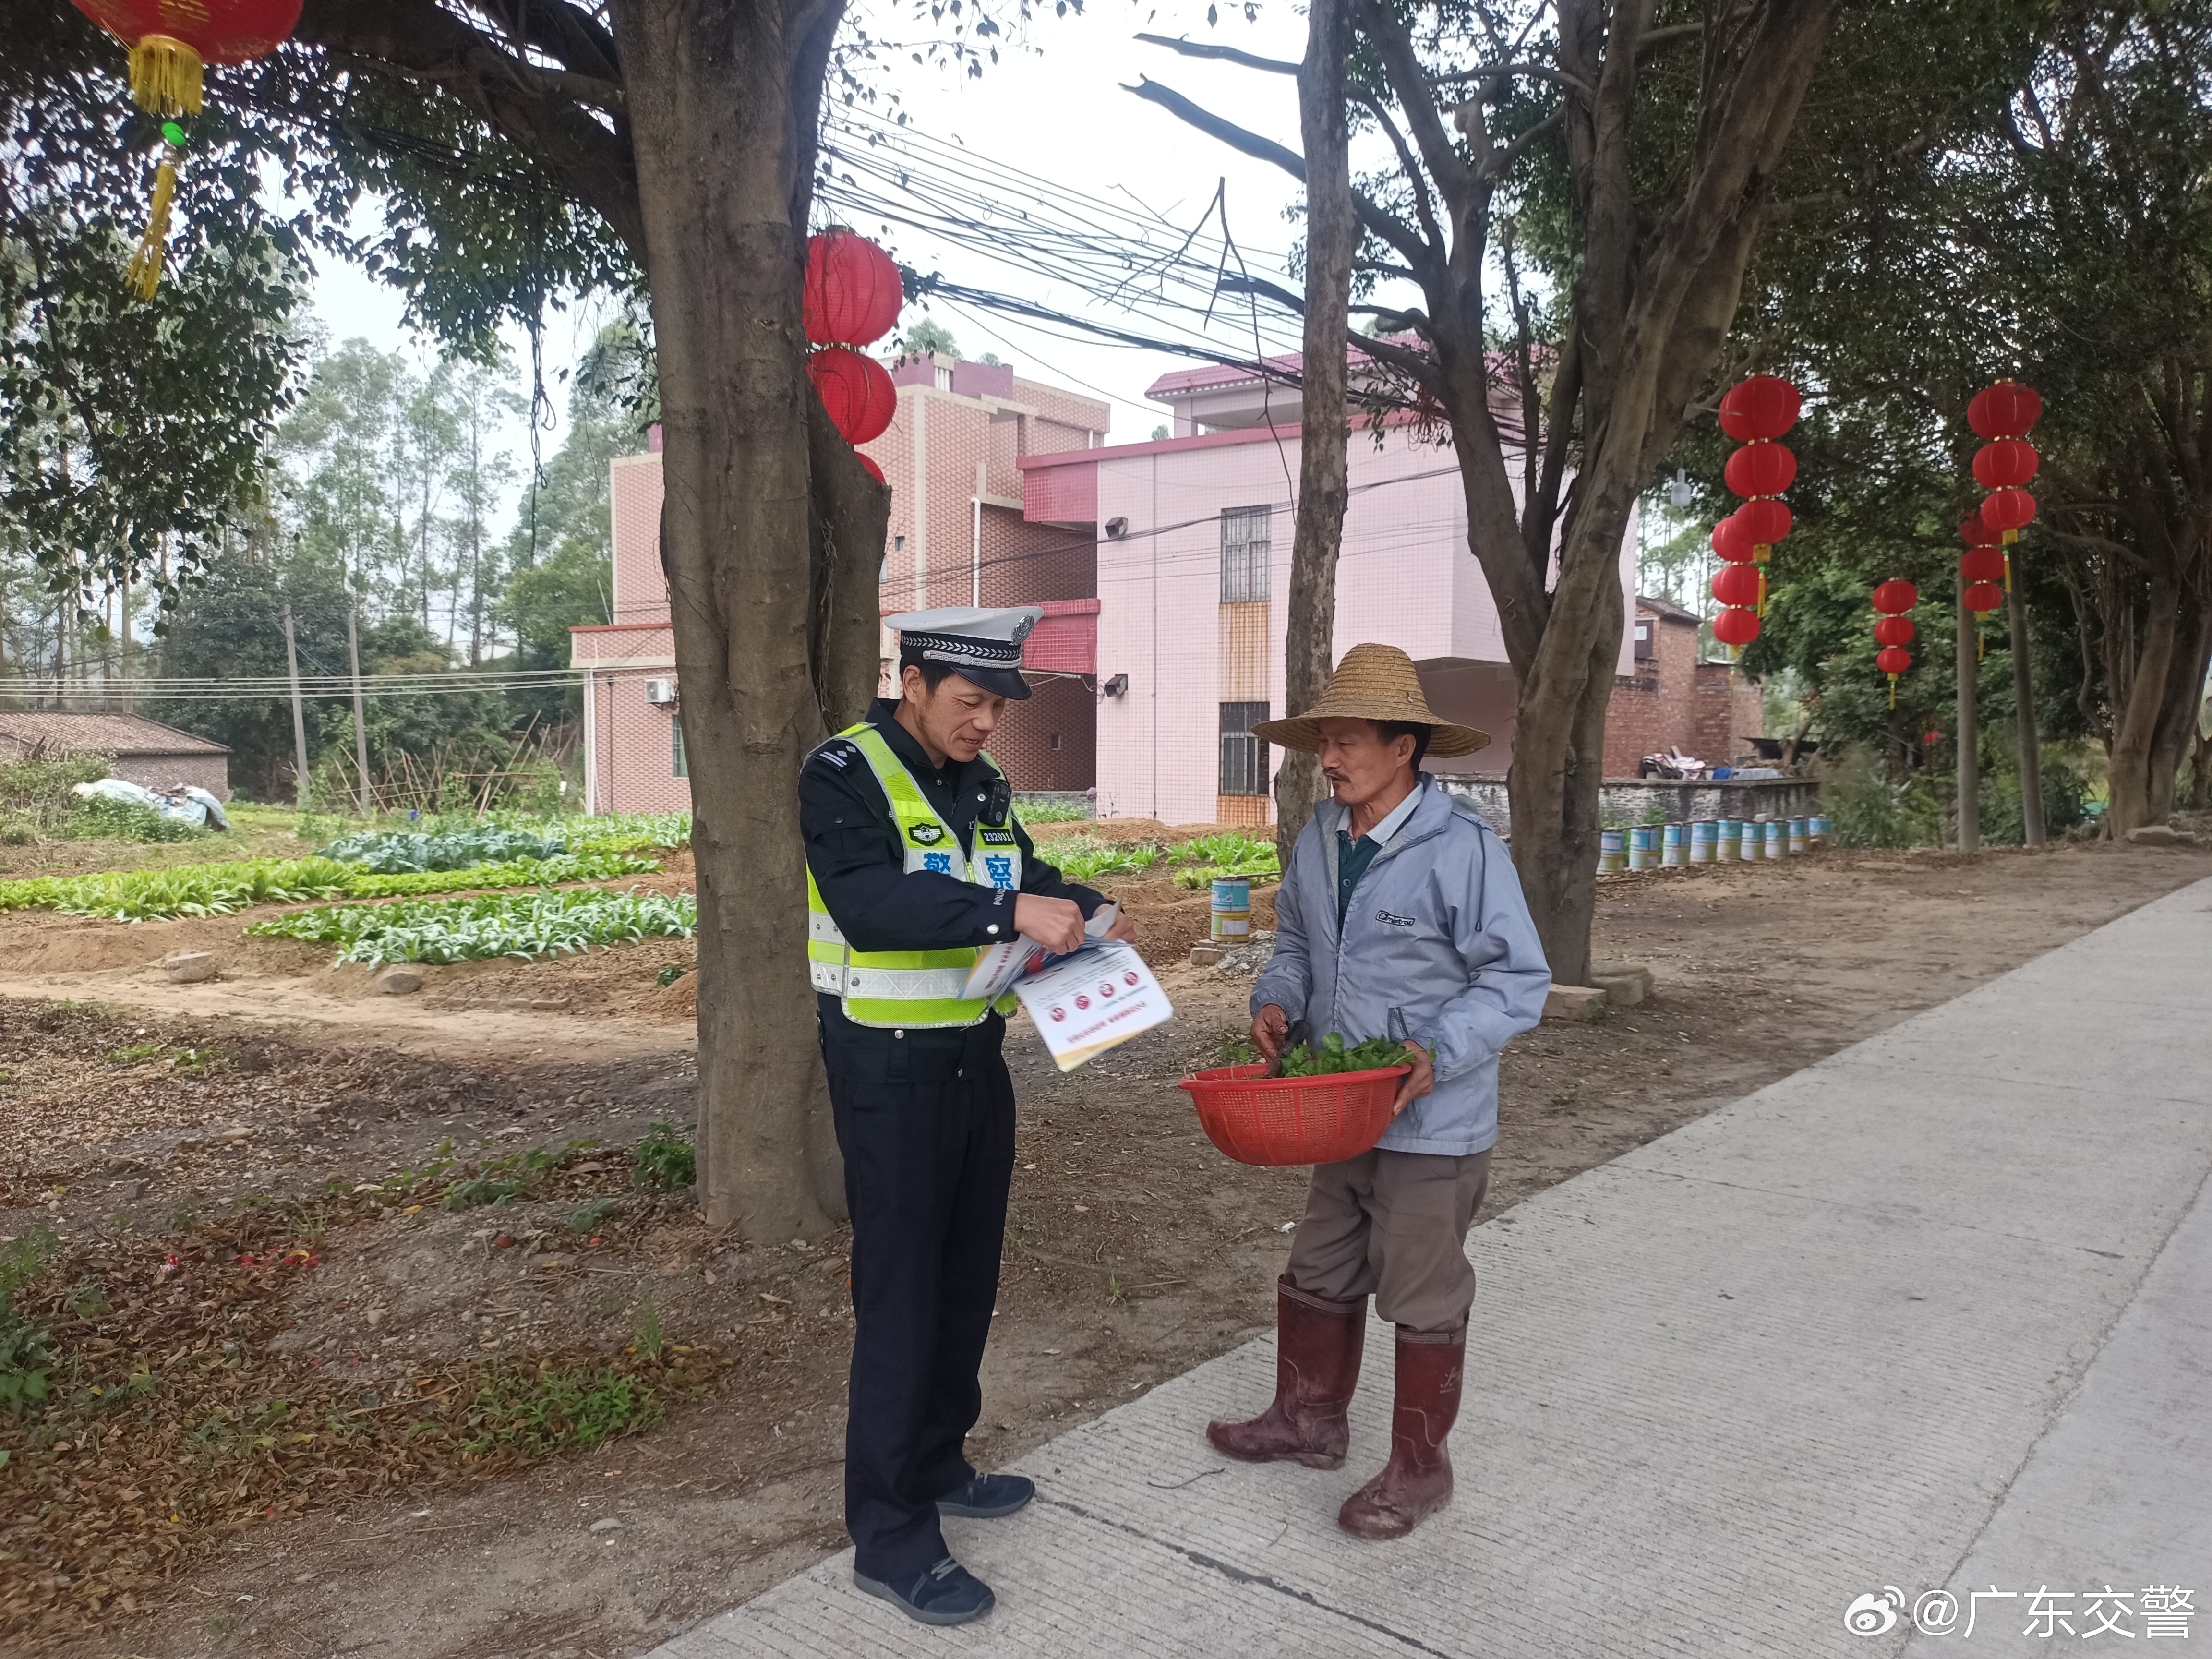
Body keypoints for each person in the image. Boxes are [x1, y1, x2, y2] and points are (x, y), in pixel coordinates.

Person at [800, 605, 1136, 1626]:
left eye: (999, 705)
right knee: (900, 1302)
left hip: (972, 1065)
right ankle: (892, 1536)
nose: (989, 722)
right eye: (972, 701)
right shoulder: (843, 774)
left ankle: (940, 1461)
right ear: (913, 682)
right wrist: (1007, 914)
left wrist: (1085, 905)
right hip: (887, 1072)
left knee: (963, 1282)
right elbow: (869, 904)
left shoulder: (983, 785)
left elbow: (1022, 877)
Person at [1207, 642, 1551, 1539]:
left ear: (1405, 749)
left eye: (1350, 741)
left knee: (1422, 1292)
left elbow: (1517, 982)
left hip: (1432, 1123)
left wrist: (1436, 1049)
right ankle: (1308, 1421)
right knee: (1319, 1268)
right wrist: (1276, 1001)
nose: (1330, 757)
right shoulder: (1322, 838)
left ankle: (1419, 1468)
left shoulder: (1463, 850)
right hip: (1337, 1111)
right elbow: (1296, 947)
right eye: (1325, 741)